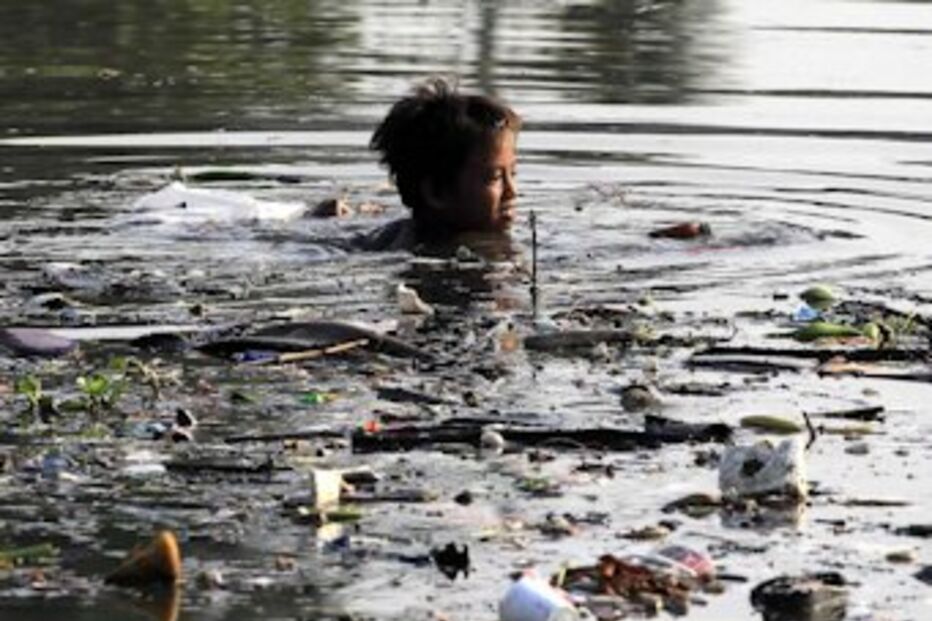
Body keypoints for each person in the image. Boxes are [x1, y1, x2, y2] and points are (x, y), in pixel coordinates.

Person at [360, 77, 522, 252]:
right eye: (494, 177)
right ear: (436, 192)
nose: (512, 192)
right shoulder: (464, 251)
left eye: (512, 174)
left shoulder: (386, 237)